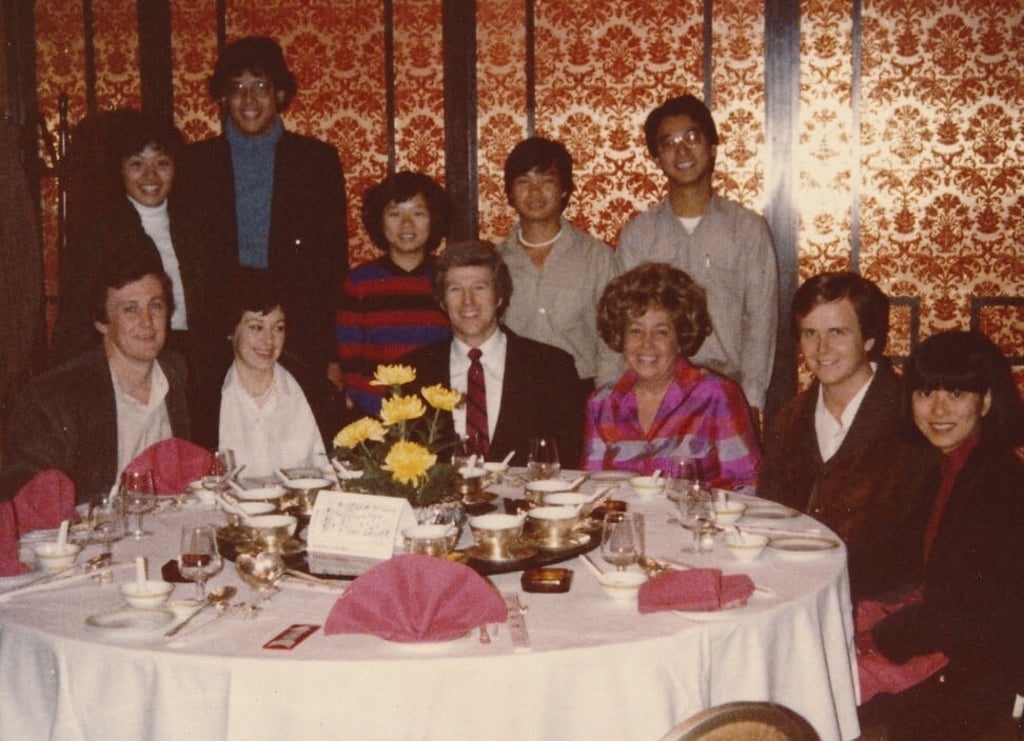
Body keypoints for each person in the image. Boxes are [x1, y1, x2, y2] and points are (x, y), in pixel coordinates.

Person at [857, 331, 1024, 739]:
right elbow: (907, 559)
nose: (938, 409)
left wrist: (879, 636)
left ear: (985, 401)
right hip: (947, 637)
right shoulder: (947, 467)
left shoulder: (1003, 483)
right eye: (926, 392)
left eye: (957, 393)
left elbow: (981, 614)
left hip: (978, 671)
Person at [758, 272, 933, 599]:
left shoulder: (910, 422)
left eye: (837, 333)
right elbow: (769, 517)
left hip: (879, 602)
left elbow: (918, 546)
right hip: (790, 592)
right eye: (811, 333)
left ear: (869, 339)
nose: (822, 348)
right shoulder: (787, 421)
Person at [183, 36, 348, 383]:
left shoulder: (316, 161)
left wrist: (330, 352)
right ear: (224, 97)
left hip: (297, 326)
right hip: (218, 327)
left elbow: (331, 262)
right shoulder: (196, 164)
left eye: (260, 85)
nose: (249, 99)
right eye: (237, 87)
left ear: (279, 94)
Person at [617, 94, 778, 416]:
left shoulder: (747, 229)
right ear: (657, 158)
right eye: (669, 143)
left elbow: (761, 322)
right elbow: (624, 322)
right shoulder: (638, 234)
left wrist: (752, 401)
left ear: (712, 147)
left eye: (692, 138)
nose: (682, 151)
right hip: (655, 393)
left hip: (727, 392)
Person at [0, 254, 190, 503]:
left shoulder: (178, 375)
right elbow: (27, 496)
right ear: (102, 322)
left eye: (155, 306)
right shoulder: (54, 396)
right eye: (130, 309)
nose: (147, 322)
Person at [400, 241, 583, 467]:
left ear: (499, 296)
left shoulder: (553, 368)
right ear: (441, 301)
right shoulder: (413, 373)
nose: (468, 301)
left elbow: (566, 460)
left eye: (479, 287)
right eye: (455, 289)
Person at [51, 110, 208, 372]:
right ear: (120, 169)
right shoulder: (97, 236)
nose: (150, 175)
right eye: (137, 163)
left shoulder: (197, 229)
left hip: (192, 363)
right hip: (125, 364)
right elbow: (75, 324)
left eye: (161, 162)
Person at [582, 262, 760, 489]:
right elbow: (592, 487)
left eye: (661, 332)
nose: (646, 344)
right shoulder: (601, 405)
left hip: (701, 522)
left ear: (680, 338)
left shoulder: (716, 396)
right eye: (635, 331)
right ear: (620, 336)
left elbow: (747, 484)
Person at [495, 136, 623, 393]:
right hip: (515, 392)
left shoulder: (597, 257)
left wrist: (605, 397)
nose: (534, 192)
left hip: (581, 390)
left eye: (546, 181)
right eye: (523, 182)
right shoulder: (494, 261)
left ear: (564, 189)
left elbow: (614, 336)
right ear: (509, 191)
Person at [193, 279, 344, 479]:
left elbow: (337, 469)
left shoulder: (317, 392)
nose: (269, 341)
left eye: (278, 328)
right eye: (256, 327)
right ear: (231, 331)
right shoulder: (205, 402)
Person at [336, 171, 452, 415]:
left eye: (418, 213)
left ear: (434, 219)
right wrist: (394, 411)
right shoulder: (359, 283)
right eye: (395, 214)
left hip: (438, 415)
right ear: (380, 220)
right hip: (376, 414)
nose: (407, 224)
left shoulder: (450, 278)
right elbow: (351, 367)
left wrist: (426, 410)